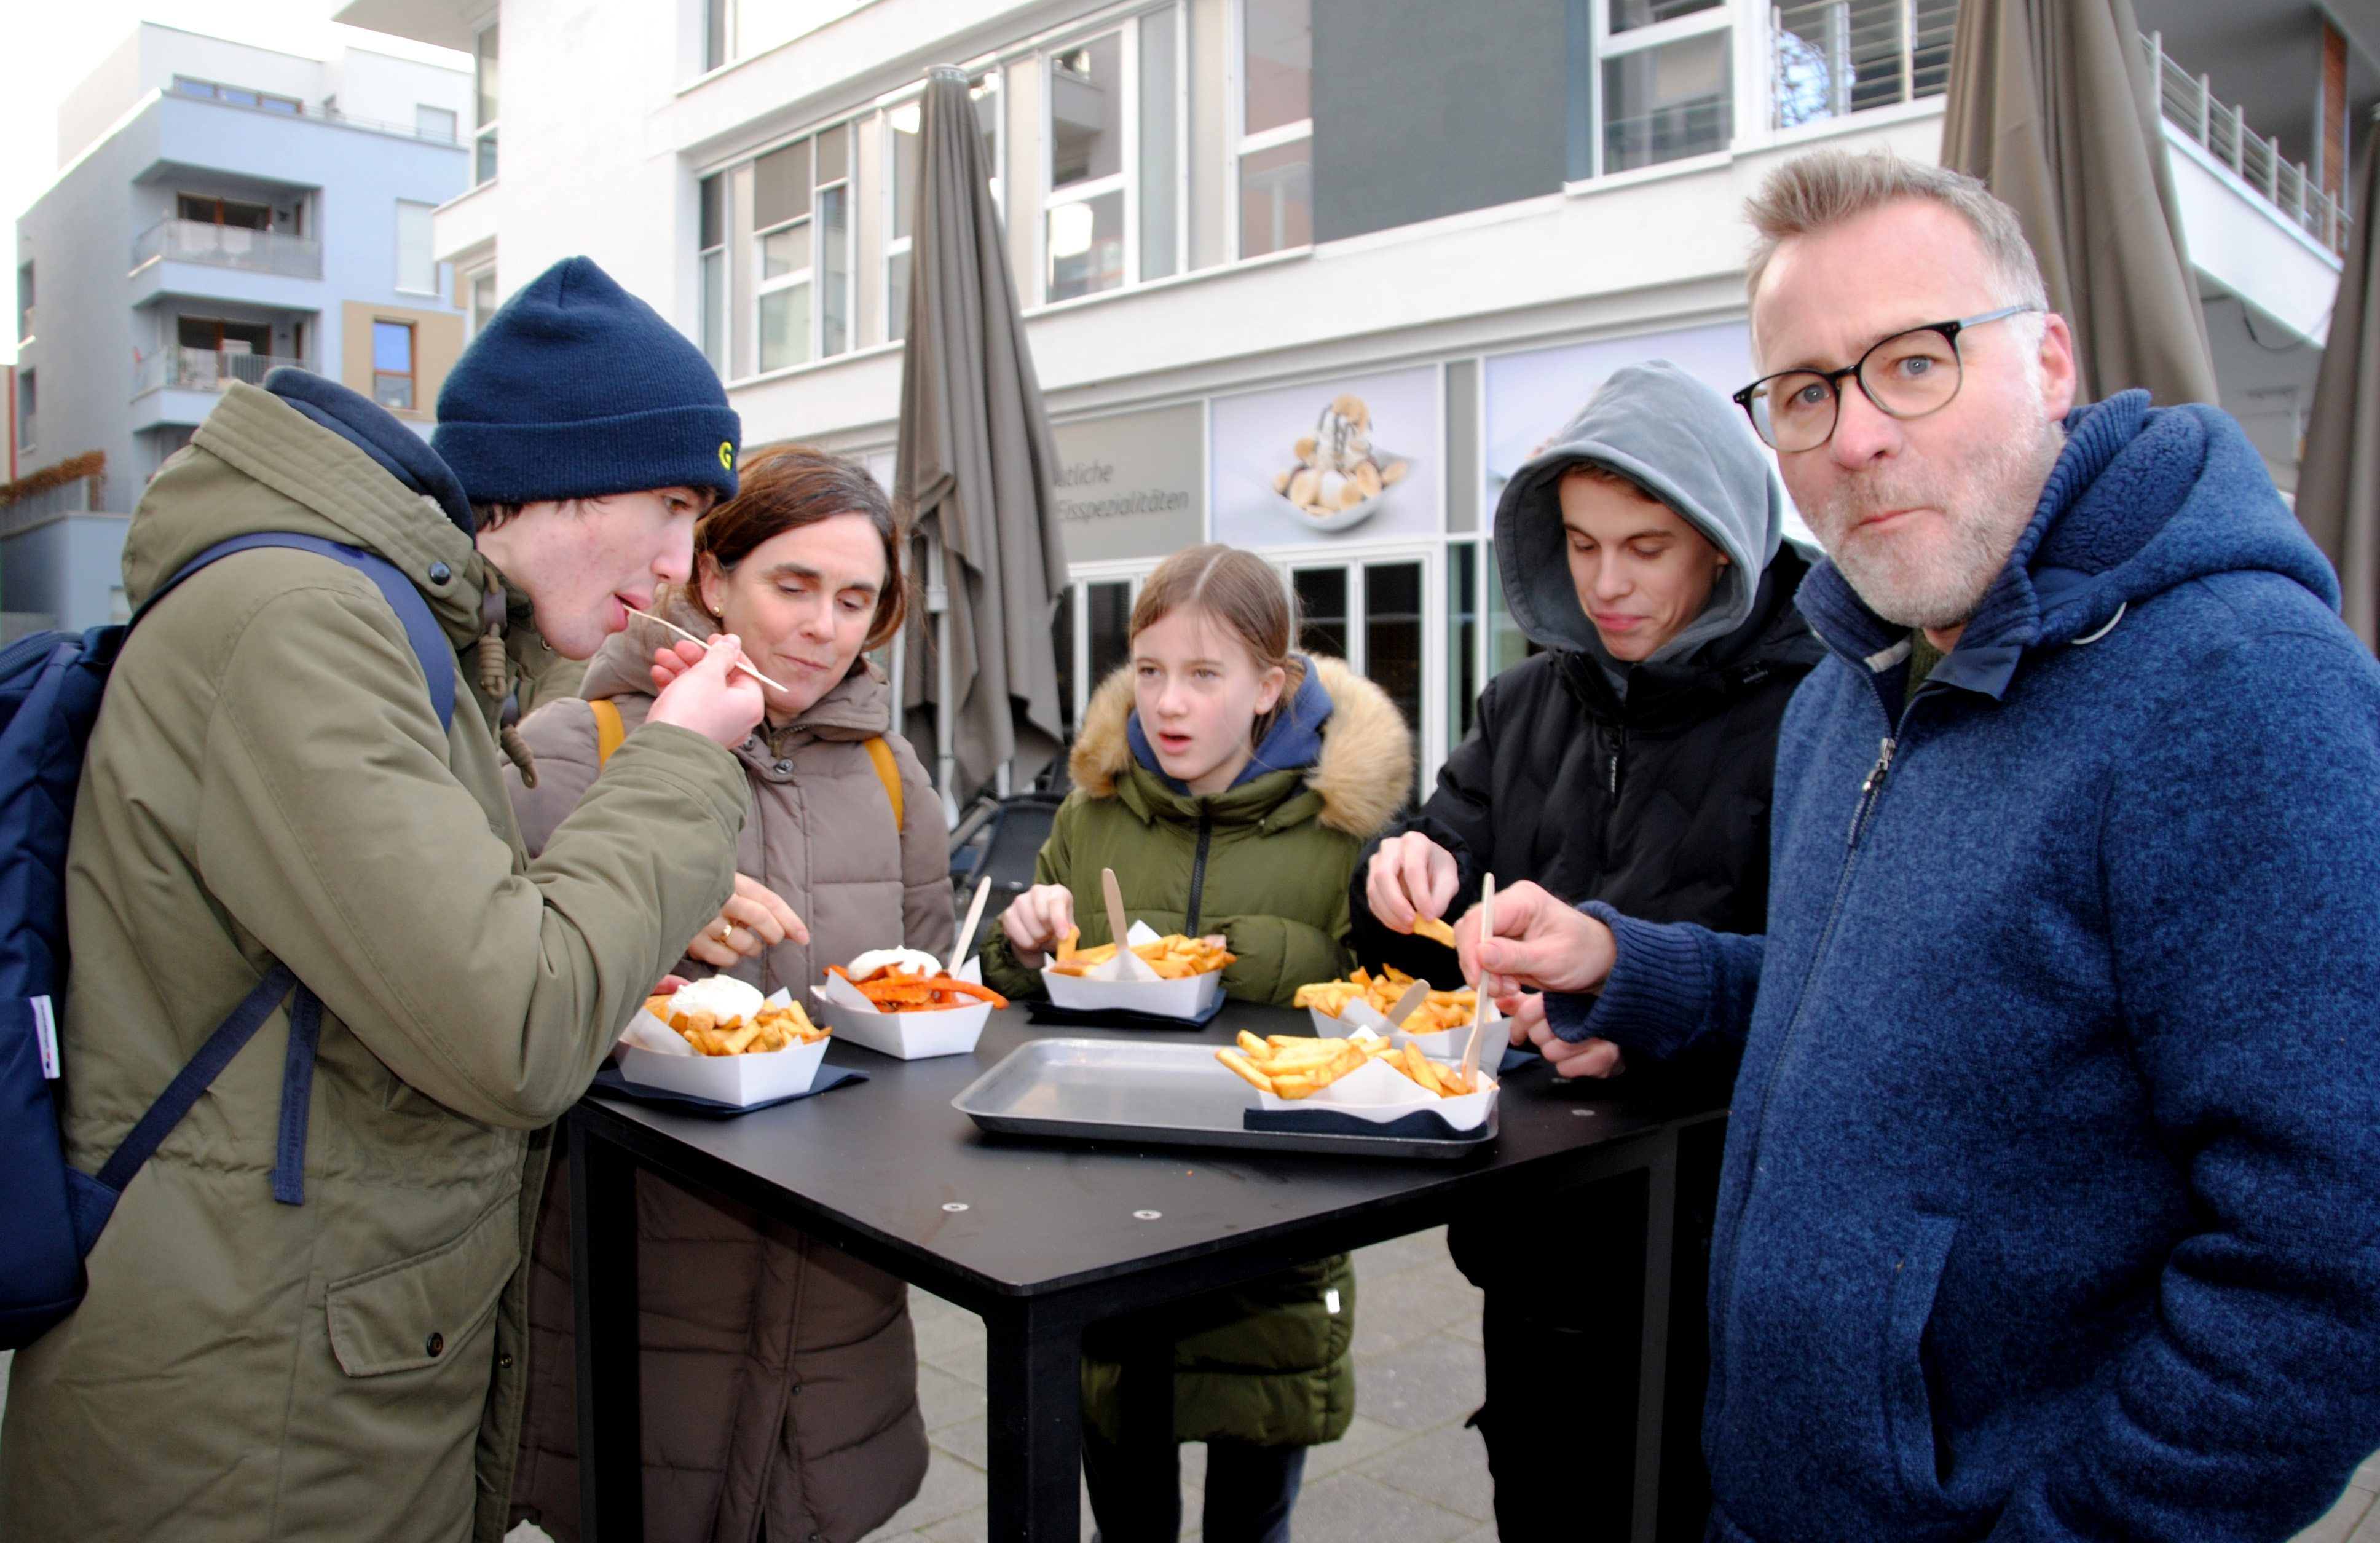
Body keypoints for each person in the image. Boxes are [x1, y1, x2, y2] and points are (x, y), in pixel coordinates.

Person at [1461, 149, 2380, 1540]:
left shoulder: (2244, 685)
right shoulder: (1850, 685)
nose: (1856, 438)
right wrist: (1636, 969)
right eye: (1806, 393)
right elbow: (1877, 1013)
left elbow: (2331, 1255)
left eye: (1913, 362)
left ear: (2049, 361)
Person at [0, 256, 762, 1543]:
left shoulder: (384, 624)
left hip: (307, 1363)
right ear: (557, 471)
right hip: (252, 1418)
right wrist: (685, 760)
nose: (685, 567)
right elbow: (511, 1026)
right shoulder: (302, 622)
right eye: (674, 507)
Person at [1348, 360, 1821, 1538]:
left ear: (1722, 540)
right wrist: (1396, 878)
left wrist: (1641, 1017)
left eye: (1646, 546)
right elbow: (1412, 939)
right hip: (1535, 1231)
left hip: (1721, 1253)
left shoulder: (1825, 705)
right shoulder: (1522, 704)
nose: (1606, 582)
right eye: (1578, 541)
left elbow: (1838, 982)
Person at [502, 445, 944, 1543]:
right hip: (637, 1285)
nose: (824, 627)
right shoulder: (578, 748)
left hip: (839, 1296)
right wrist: (648, 913)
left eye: (856, 600)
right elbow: (502, 1019)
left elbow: (929, 1009)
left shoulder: (896, 773)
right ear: (711, 580)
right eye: (792, 586)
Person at [978, 543, 1412, 1543]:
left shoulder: (1344, 833)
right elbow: (1018, 1001)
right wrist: (1021, 942)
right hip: (1101, 1230)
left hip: (1273, 1246)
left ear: (1270, 686)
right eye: (1153, 670)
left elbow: (1386, 1007)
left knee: (1251, 1530)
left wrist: (1252, 956)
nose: (1168, 703)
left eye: (1206, 675)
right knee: (1127, 1524)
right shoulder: (1089, 818)